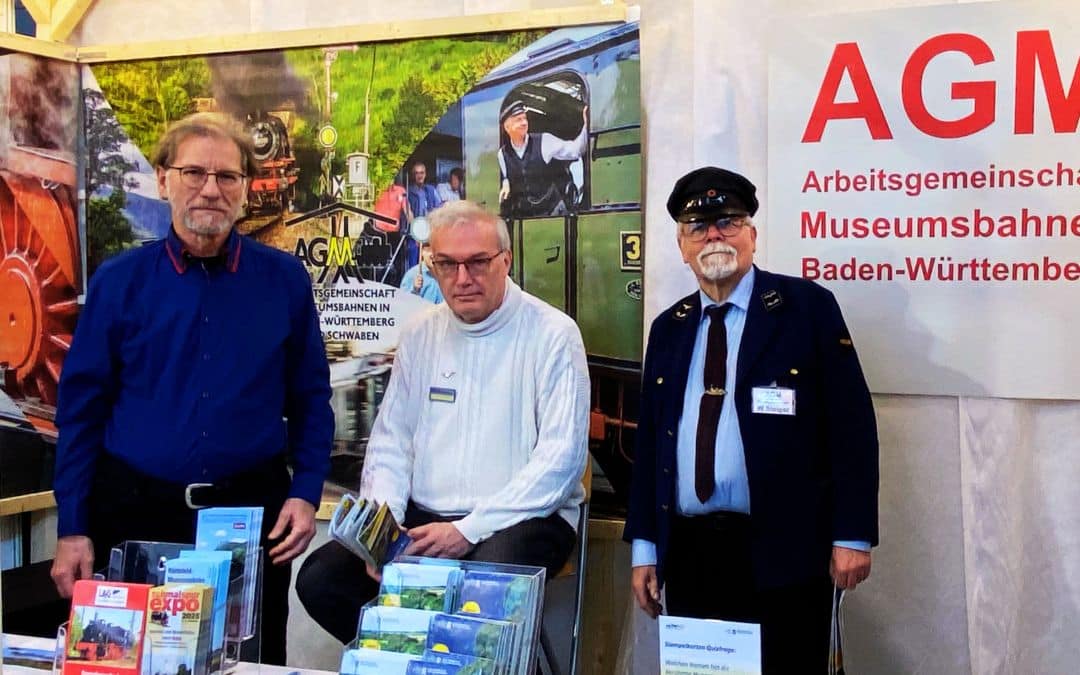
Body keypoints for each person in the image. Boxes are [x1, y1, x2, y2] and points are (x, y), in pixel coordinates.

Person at [51, 112, 333, 665]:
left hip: (249, 521)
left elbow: (309, 399)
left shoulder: (284, 282)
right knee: (134, 665)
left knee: (246, 661)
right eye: (194, 172)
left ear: (247, 189)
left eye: (228, 177)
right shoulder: (119, 282)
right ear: (163, 179)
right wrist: (73, 527)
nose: (211, 189)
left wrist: (306, 492)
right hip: (133, 515)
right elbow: (81, 413)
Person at [296, 200, 589, 644]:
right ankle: (410, 657)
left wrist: (467, 530)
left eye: (477, 263)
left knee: (483, 586)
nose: (462, 278)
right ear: (431, 265)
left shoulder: (553, 334)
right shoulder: (420, 333)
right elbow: (391, 442)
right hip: (426, 516)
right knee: (322, 578)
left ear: (506, 260)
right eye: (447, 264)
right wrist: (383, 527)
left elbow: (560, 463)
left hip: (525, 518)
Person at [623, 167, 879, 673]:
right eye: (699, 226)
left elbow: (852, 428)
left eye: (728, 222)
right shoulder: (668, 328)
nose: (714, 235)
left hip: (787, 550)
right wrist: (645, 549)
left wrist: (852, 534)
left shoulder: (806, 309)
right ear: (681, 245)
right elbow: (652, 445)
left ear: (753, 236)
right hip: (692, 552)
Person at [497, 99, 588, 218]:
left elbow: (576, 151)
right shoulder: (502, 155)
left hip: (554, 212)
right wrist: (506, 183)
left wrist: (587, 124)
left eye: (525, 118)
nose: (524, 122)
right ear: (507, 127)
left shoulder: (545, 141)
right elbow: (507, 176)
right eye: (518, 120)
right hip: (528, 219)